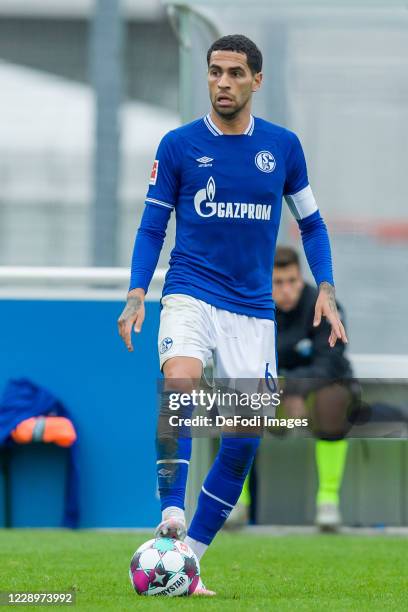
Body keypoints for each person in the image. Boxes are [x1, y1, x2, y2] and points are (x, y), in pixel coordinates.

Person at [118, 34, 347, 595]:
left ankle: (186, 561)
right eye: (215, 72)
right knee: (180, 384)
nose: (223, 82)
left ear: (256, 81)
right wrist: (136, 291)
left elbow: (312, 224)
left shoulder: (283, 147)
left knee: (244, 436)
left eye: (235, 73)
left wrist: (327, 287)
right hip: (191, 291)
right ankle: (172, 511)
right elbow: (153, 227)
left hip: (251, 309)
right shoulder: (177, 146)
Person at [229, 246, 352, 531]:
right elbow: (244, 364)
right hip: (275, 395)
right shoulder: (252, 309)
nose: (286, 290)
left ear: (301, 278)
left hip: (315, 395)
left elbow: (330, 365)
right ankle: (235, 502)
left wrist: (294, 388)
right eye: (278, 282)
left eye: (292, 281)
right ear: (266, 281)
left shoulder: (324, 306)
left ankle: (328, 502)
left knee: (332, 398)